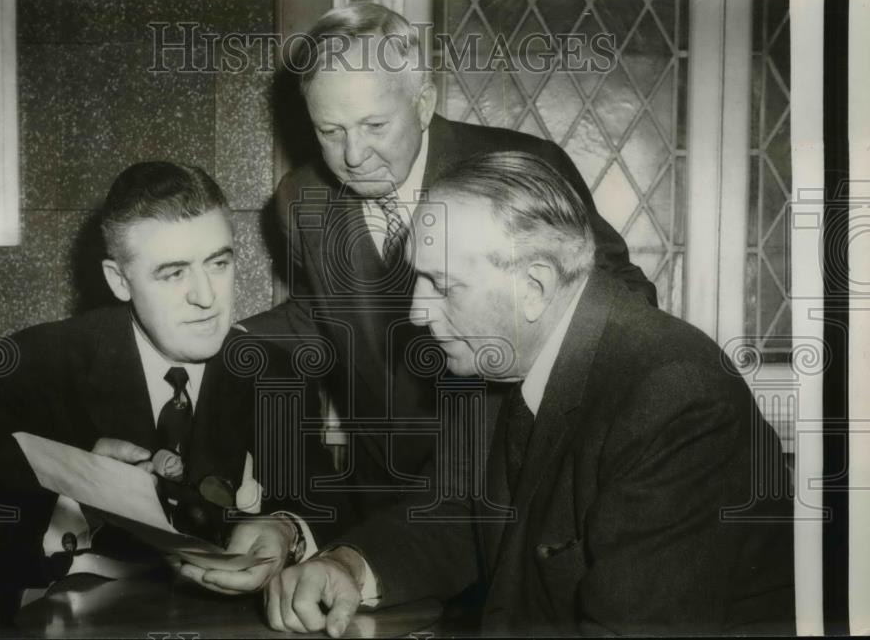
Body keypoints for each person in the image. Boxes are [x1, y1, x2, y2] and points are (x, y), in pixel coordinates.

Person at [265, 151, 795, 637]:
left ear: (535, 287)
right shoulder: (495, 362)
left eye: (443, 285)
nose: (417, 313)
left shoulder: (675, 396)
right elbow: (456, 518)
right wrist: (348, 566)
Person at [243, 1, 656, 519]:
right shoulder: (300, 198)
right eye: (331, 131)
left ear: (421, 103)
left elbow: (623, 301)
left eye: (374, 125)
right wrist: (213, 345)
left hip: (504, 491)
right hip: (382, 501)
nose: (352, 155)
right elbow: (323, 315)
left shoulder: (525, 168)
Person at [0, 162, 342, 614]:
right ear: (119, 280)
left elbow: (329, 503)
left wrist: (286, 531)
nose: (207, 297)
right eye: (173, 273)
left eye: (219, 263)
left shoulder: (276, 373)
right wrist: (74, 495)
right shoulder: (33, 367)